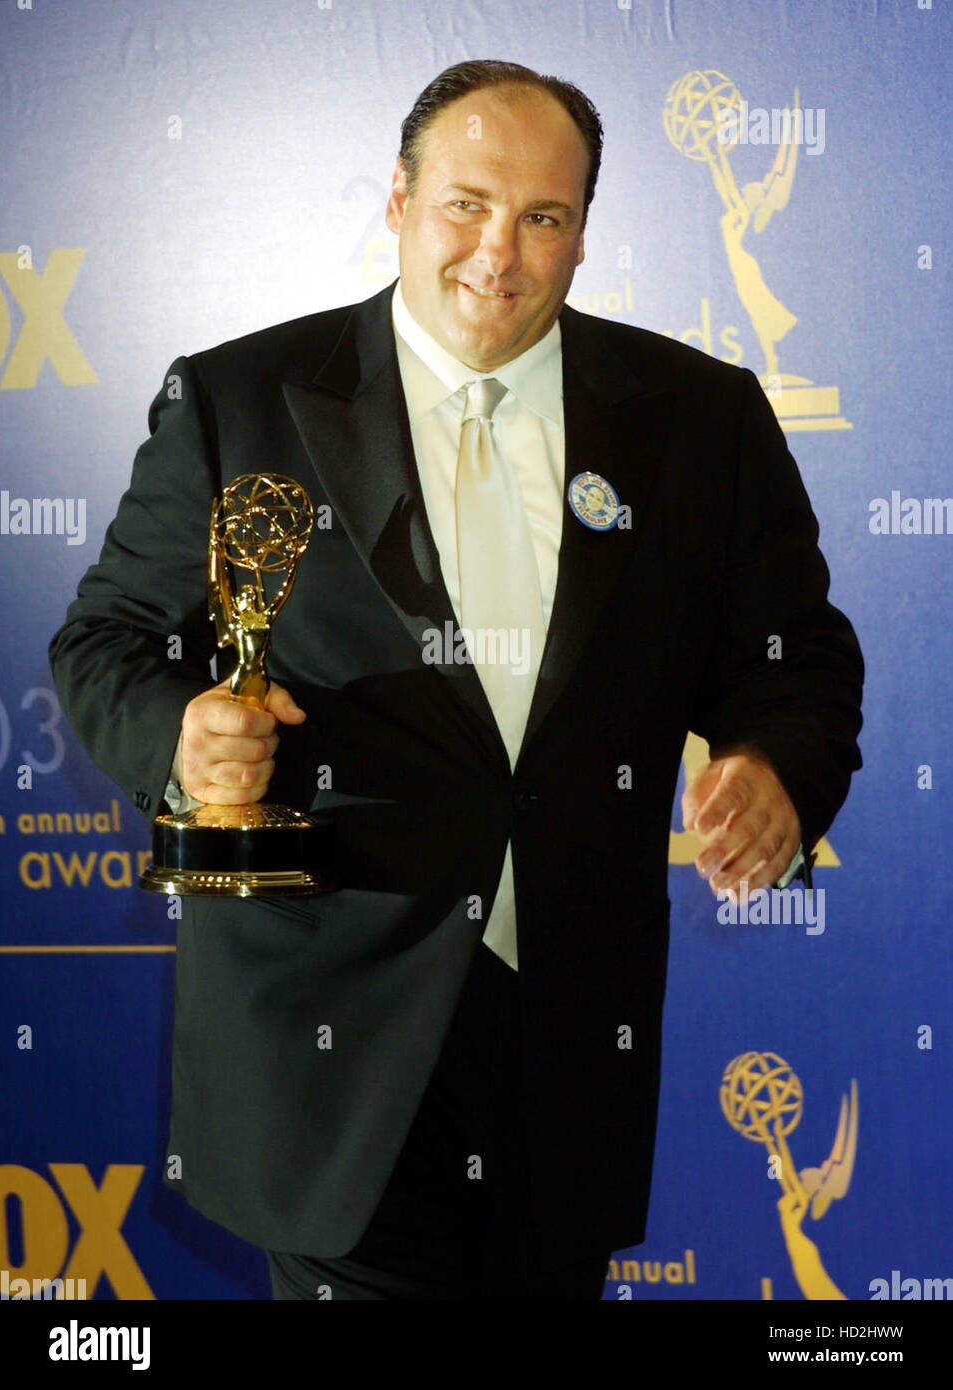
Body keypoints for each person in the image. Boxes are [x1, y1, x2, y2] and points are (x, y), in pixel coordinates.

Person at [48, 59, 864, 1301]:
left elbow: (795, 659)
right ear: (397, 196)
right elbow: (107, 639)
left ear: (585, 230)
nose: (501, 253)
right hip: (327, 1043)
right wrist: (183, 734)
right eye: (468, 205)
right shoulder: (236, 399)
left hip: (567, 1046)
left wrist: (772, 768)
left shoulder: (700, 419)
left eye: (546, 218)